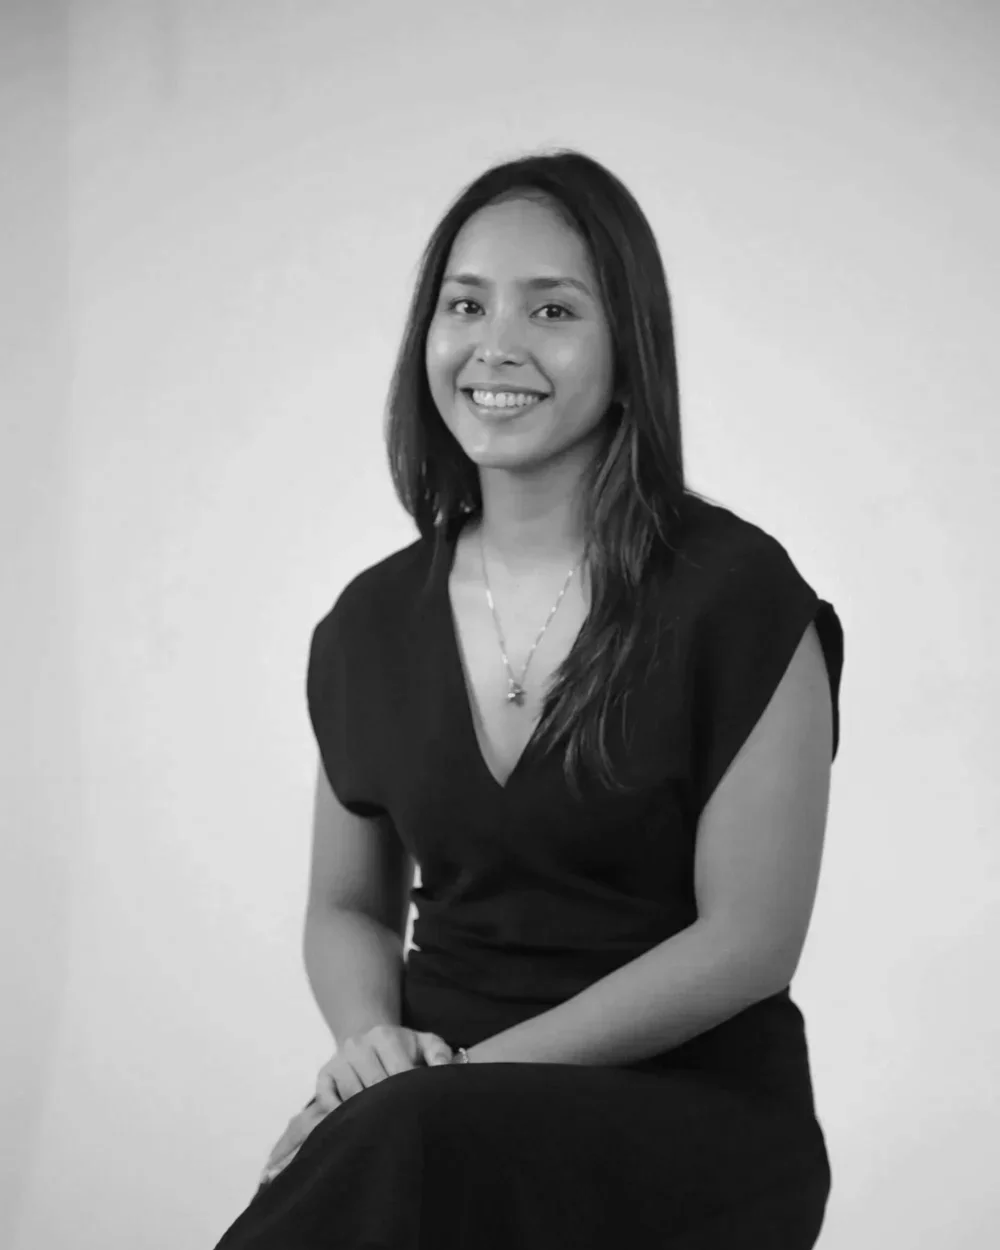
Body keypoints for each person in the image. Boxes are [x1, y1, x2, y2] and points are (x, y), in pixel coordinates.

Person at [212, 147, 844, 1249]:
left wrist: (445, 1088)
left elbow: (749, 941)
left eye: (551, 309)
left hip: (684, 1116)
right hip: (430, 1118)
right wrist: (371, 1050)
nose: (495, 344)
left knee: (398, 1157)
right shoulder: (367, 623)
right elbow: (347, 905)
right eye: (465, 305)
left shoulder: (738, 596)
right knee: (398, 1158)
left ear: (629, 349)